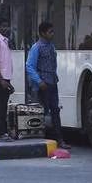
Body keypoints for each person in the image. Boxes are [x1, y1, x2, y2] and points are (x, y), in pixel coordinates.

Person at [26, 20, 70, 150]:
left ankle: (59, 139)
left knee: (55, 111)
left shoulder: (51, 46)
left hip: (52, 82)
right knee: (42, 112)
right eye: (50, 32)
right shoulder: (36, 47)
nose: (52, 34)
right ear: (42, 33)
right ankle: (40, 140)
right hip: (42, 85)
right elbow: (29, 66)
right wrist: (39, 81)